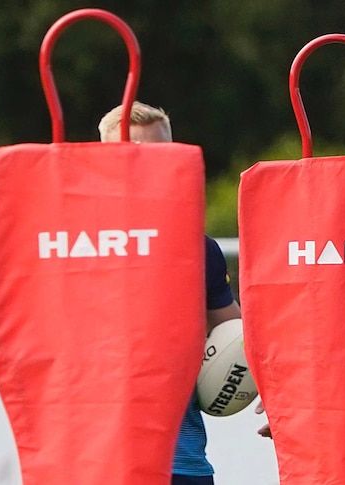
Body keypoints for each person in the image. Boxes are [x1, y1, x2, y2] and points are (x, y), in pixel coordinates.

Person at [99, 102, 242, 485]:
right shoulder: (68, 247)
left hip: (181, 464)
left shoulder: (197, 248)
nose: (151, 166)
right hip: (94, 463)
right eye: (135, 154)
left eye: (163, 155)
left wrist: (280, 396)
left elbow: (241, 339)